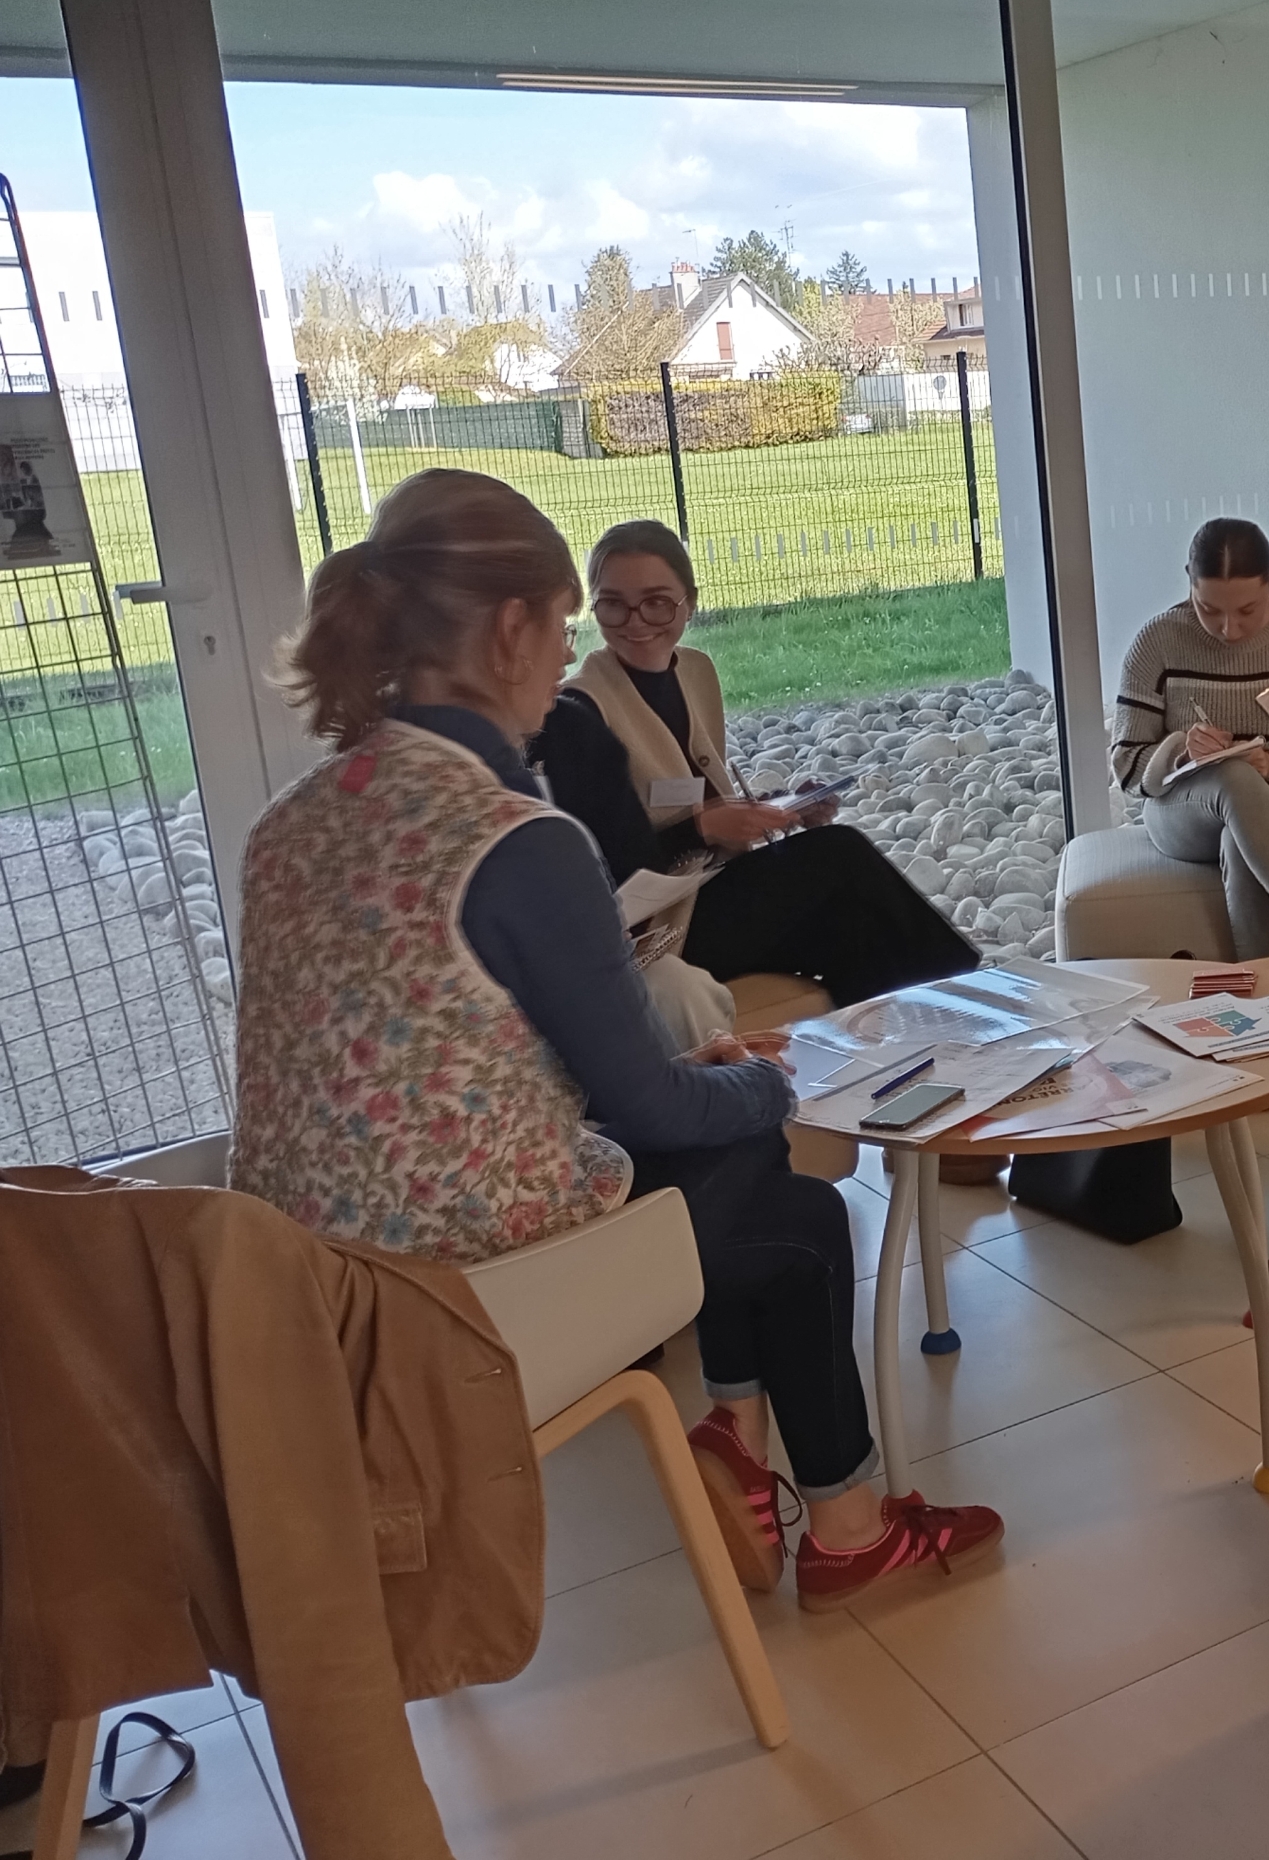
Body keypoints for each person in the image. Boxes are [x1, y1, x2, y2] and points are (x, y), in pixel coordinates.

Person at [229, 469, 999, 1611]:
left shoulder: (290, 819)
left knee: (760, 1176)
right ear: (511, 628)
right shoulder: (512, 838)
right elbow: (648, 1109)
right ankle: (830, 1516)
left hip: (304, 1291)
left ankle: (761, 1457)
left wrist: (703, 1087)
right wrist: (775, 1086)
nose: (566, 654)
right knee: (782, 1188)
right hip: (468, 1296)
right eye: (564, 621)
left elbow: (445, 1059)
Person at [534, 517, 974, 1016]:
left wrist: (773, 810)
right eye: (613, 604)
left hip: (714, 888)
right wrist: (702, 829)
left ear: (689, 604)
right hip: (662, 930)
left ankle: (917, 1039)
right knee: (840, 854)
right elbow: (607, 871)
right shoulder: (579, 713)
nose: (635, 621)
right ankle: (978, 1002)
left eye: (656, 602)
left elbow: (698, 798)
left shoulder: (695, 671)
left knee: (857, 929)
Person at [1111, 517, 1269, 956]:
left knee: (1244, 836)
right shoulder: (1155, 643)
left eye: (1246, 611)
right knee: (1233, 778)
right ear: (1189, 581)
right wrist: (1180, 753)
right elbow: (1126, 766)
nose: (1228, 629)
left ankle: (1261, 989)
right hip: (1186, 812)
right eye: (1209, 609)